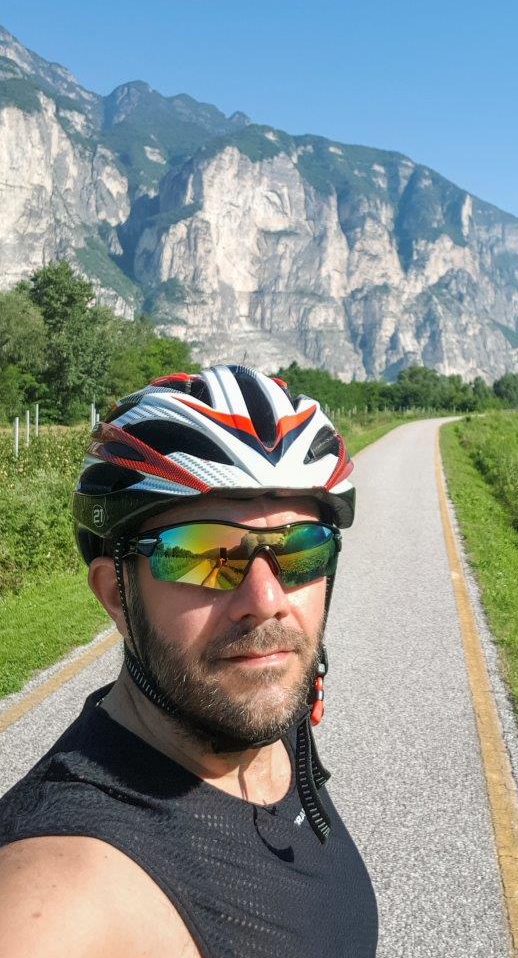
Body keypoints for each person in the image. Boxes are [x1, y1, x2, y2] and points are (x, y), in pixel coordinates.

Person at [0, 365, 379, 958]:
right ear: (115, 593)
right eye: (206, 555)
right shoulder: (60, 894)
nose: (267, 602)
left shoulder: (262, 715)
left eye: (301, 550)